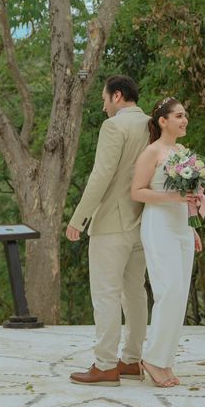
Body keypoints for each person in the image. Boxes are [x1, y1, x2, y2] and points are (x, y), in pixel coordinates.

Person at [66, 75, 150, 387]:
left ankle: (105, 365)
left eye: (104, 99)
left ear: (117, 96)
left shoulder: (115, 127)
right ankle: (131, 359)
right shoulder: (152, 124)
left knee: (106, 295)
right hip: (144, 221)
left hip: (112, 224)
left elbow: (101, 176)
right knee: (135, 293)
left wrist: (78, 219)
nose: (103, 107)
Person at [130, 97, 203, 388]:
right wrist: (172, 198)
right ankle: (152, 359)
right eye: (178, 116)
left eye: (185, 115)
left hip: (182, 226)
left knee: (180, 294)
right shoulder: (152, 152)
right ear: (163, 121)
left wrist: (193, 227)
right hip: (158, 225)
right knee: (168, 291)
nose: (184, 120)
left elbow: (189, 195)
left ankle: (166, 361)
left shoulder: (183, 151)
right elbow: (137, 192)